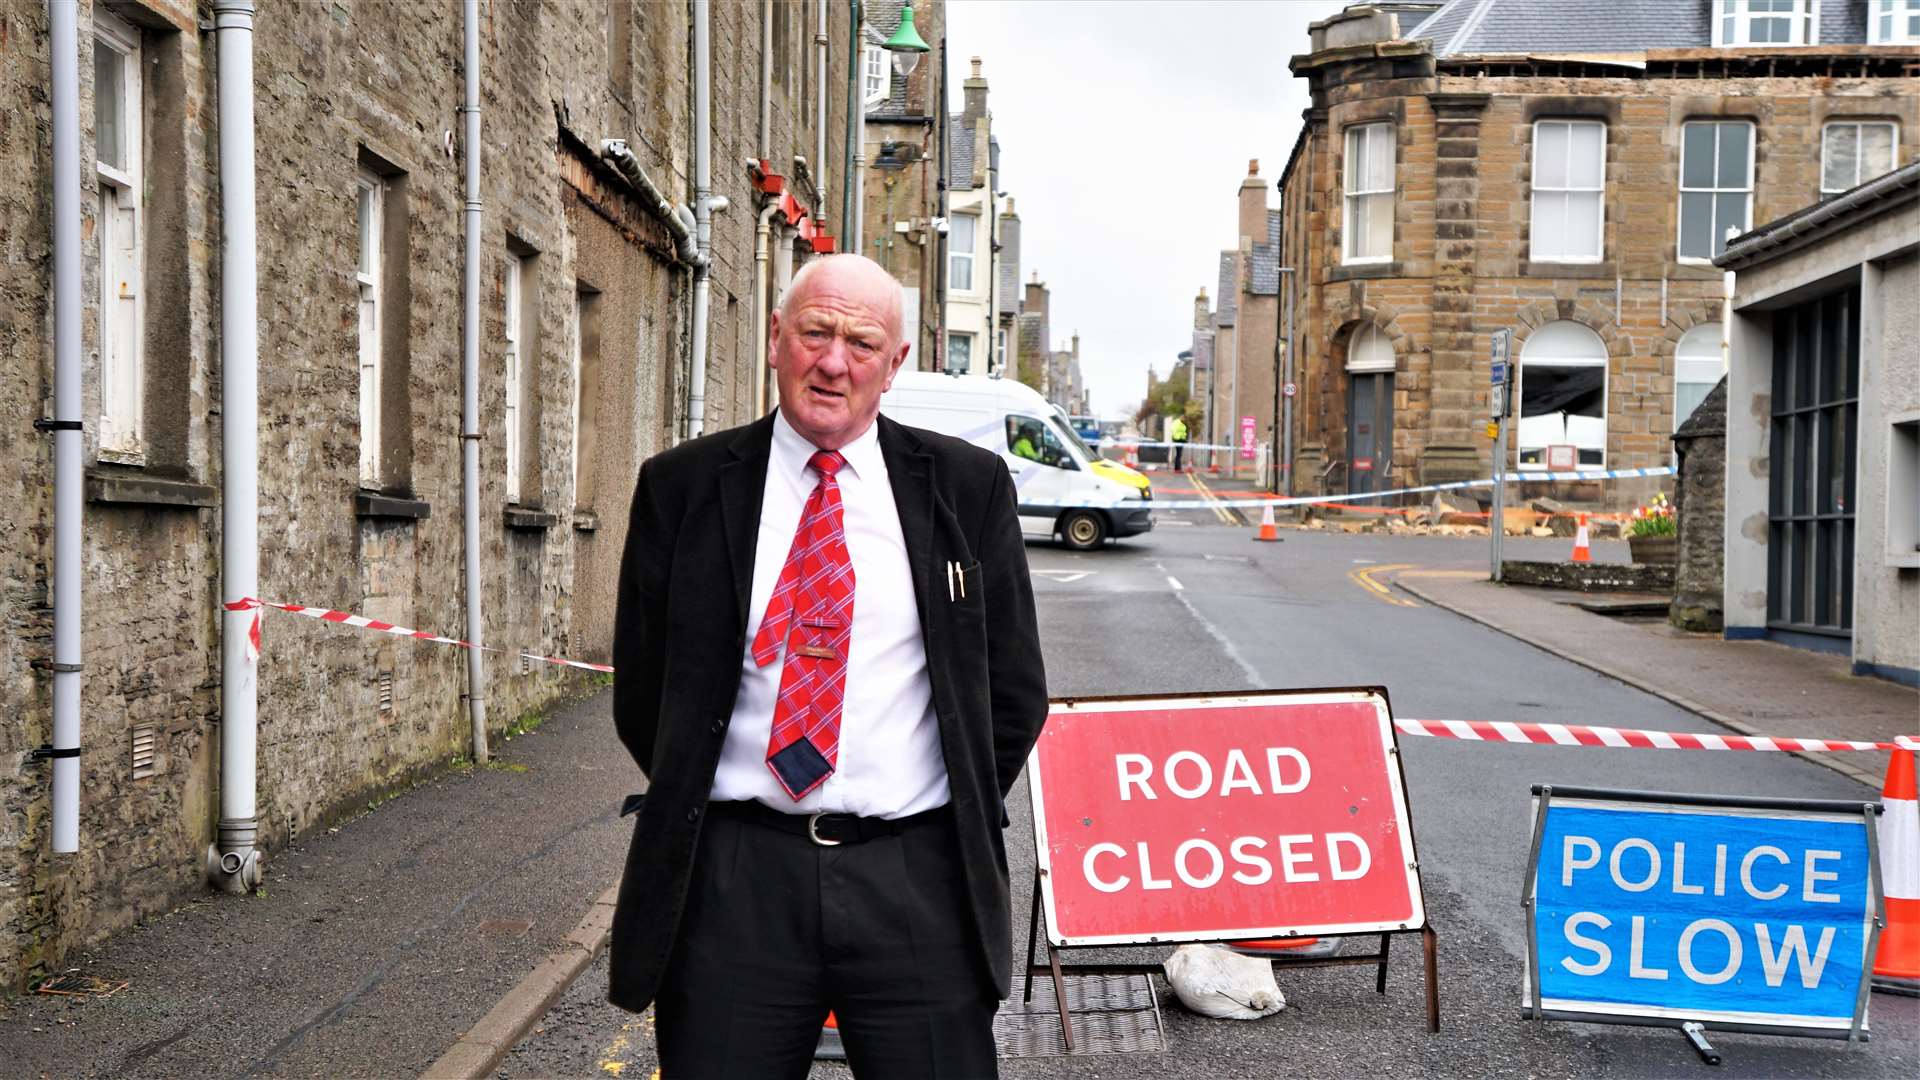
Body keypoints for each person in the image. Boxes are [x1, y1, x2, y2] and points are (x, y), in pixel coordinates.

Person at [608, 253, 1049, 1079]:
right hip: (734, 881)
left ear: (895, 365)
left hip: (916, 880)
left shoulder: (967, 487)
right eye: (815, 332)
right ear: (777, 338)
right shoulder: (682, 486)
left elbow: (1012, 693)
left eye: (861, 341)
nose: (834, 360)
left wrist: (932, 804)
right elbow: (644, 688)